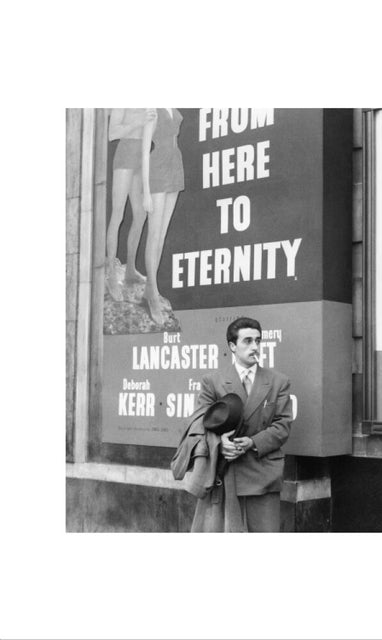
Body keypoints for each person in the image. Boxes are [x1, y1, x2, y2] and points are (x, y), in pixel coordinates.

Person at [193, 317, 293, 532]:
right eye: (247, 341)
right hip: (226, 474)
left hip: (263, 474)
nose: (255, 347)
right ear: (232, 346)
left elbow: (283, 426)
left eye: (258, 341)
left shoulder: (278, 382)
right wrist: (221, 443)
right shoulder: (213, 381)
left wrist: (252, 442)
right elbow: (200, 425)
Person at [105, 108, 157, 301]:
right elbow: (112, 134)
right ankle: (111, 274)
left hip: (143, 156)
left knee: (141, 214)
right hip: (125, 154)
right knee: (118, 213)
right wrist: (138, 122)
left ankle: (130, 269)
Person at [141, 108, 185, 324]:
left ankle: (151, 290)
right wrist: (146, 192)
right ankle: (152, 293)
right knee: (154, 235)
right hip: (157, 168)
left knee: (162, 236)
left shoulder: (174, 107)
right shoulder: (152, 108)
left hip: (175, 165)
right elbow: (144, 151)